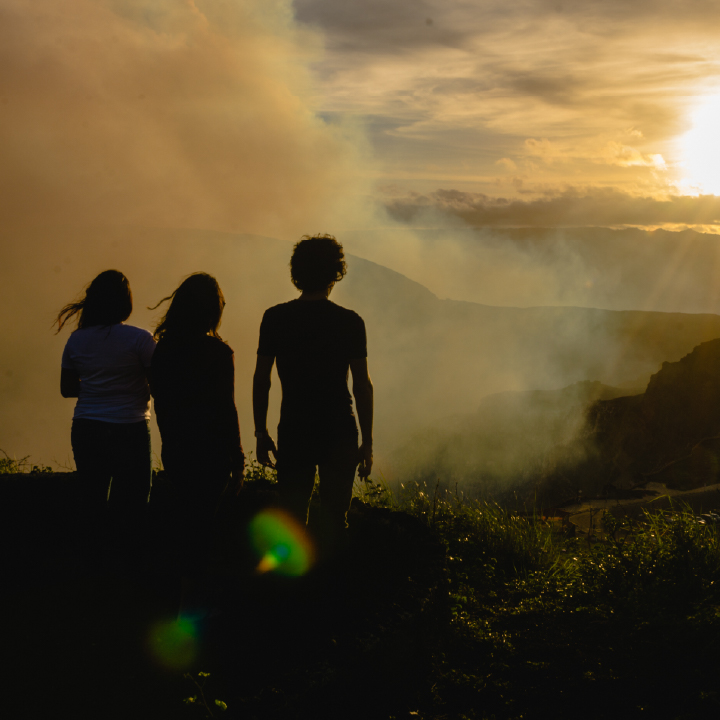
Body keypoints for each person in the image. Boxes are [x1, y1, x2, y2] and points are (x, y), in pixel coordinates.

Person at [253, 234, 373, 553]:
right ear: (336, 273)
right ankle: (333, 580)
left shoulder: (275, 318)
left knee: (292, 518)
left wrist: (261, 432)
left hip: (294, 428)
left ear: (297, 273)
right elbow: (362, 385)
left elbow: (262, 379)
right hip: (339, 429)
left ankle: (292, 582)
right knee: (335, 520)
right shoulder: (350, 322)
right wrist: (367, 441)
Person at [150, 273, 244, 613]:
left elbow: (161, 402)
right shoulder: (218, 353)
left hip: (177, 452)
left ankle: (173, 602)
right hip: (212, 457)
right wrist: (238, 461)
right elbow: (226, 409)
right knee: (201, 530)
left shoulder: (162, 351)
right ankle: (189, 608)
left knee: (182, 526)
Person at [57, 270, 156, 570]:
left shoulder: (76, 340)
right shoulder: (140, 339)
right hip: (130, 426)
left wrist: (98, 386)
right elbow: (160, 381)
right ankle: (129, 563)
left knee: (92, 496)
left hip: (87, 426)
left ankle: (90, 563)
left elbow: (67, 388)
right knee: (134, 499)